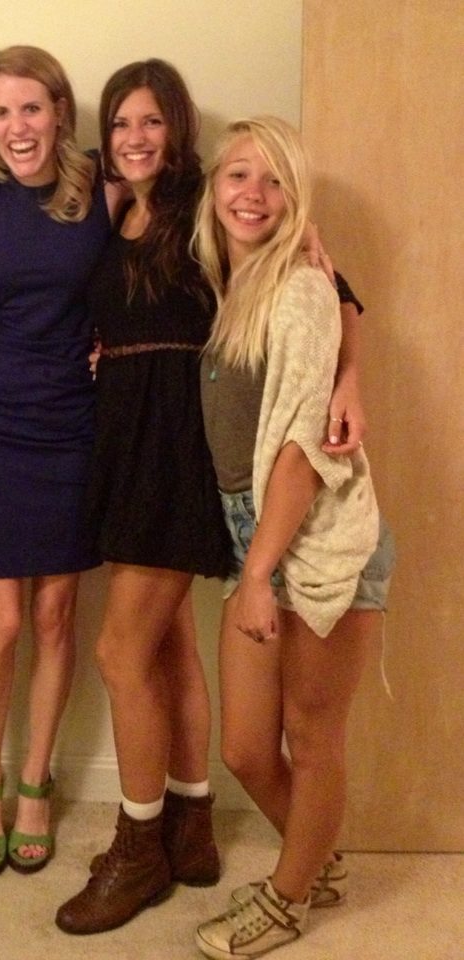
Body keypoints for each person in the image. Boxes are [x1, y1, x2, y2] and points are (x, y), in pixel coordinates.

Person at [192, 116, 393, 959]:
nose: (254, 194)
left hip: (316, 541)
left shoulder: (300, 289)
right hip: (257, 535)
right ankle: (316, 865)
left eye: (275, 180)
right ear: (213, 187)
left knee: (311, 739)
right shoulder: (235, 284)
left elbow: (304, 453)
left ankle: (287, 898)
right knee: (245, 747)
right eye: (239, 174)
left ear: (296, 197)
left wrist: (257, 573)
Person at [54, 58, 232, 936]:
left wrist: (347, 380)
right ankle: (191, 829)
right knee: (169, 647)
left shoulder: (206, 206)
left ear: (178, 128)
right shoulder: (116, 205)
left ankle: (139, 849)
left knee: (119, 653)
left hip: (176, 444)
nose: (134, 137)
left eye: (151, 121)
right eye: (121, 122)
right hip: (125, 437)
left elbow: (322, 281)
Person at [0, 45, 119, 877]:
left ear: (60, 110)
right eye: (0, 111)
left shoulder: (104, 185)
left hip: (73, 425)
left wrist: (312, 243)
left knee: (57, 618)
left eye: (31, 107)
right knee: (2, 623)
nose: (16, 127)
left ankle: (35, 782)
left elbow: (207, 209)